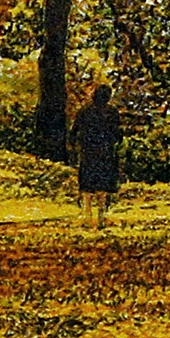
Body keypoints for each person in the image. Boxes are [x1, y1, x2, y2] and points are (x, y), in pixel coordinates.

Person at [70, 82, 124, 230]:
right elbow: (118, 133)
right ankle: (101, 216)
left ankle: (87, 215)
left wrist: (74, 146)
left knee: (87, 184)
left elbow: (74, 131)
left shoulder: (85, 111)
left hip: (88, 151)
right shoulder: (112, 112)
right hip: (105, 152)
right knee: (103, 184)